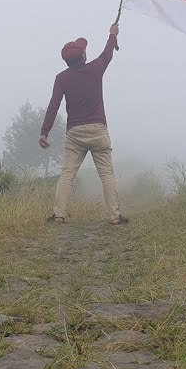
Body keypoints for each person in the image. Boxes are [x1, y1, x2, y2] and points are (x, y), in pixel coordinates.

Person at [39, 23, 128, 225]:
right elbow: (107, 54)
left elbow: (54, 105)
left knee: (68, 173)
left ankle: (59, 215)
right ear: (83, 56)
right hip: (98, 129)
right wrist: (112, 35)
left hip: (75, 133)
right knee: (107, 174)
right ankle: (114, 216)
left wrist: (45, 132)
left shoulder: (61, 78)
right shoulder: (95, 69)